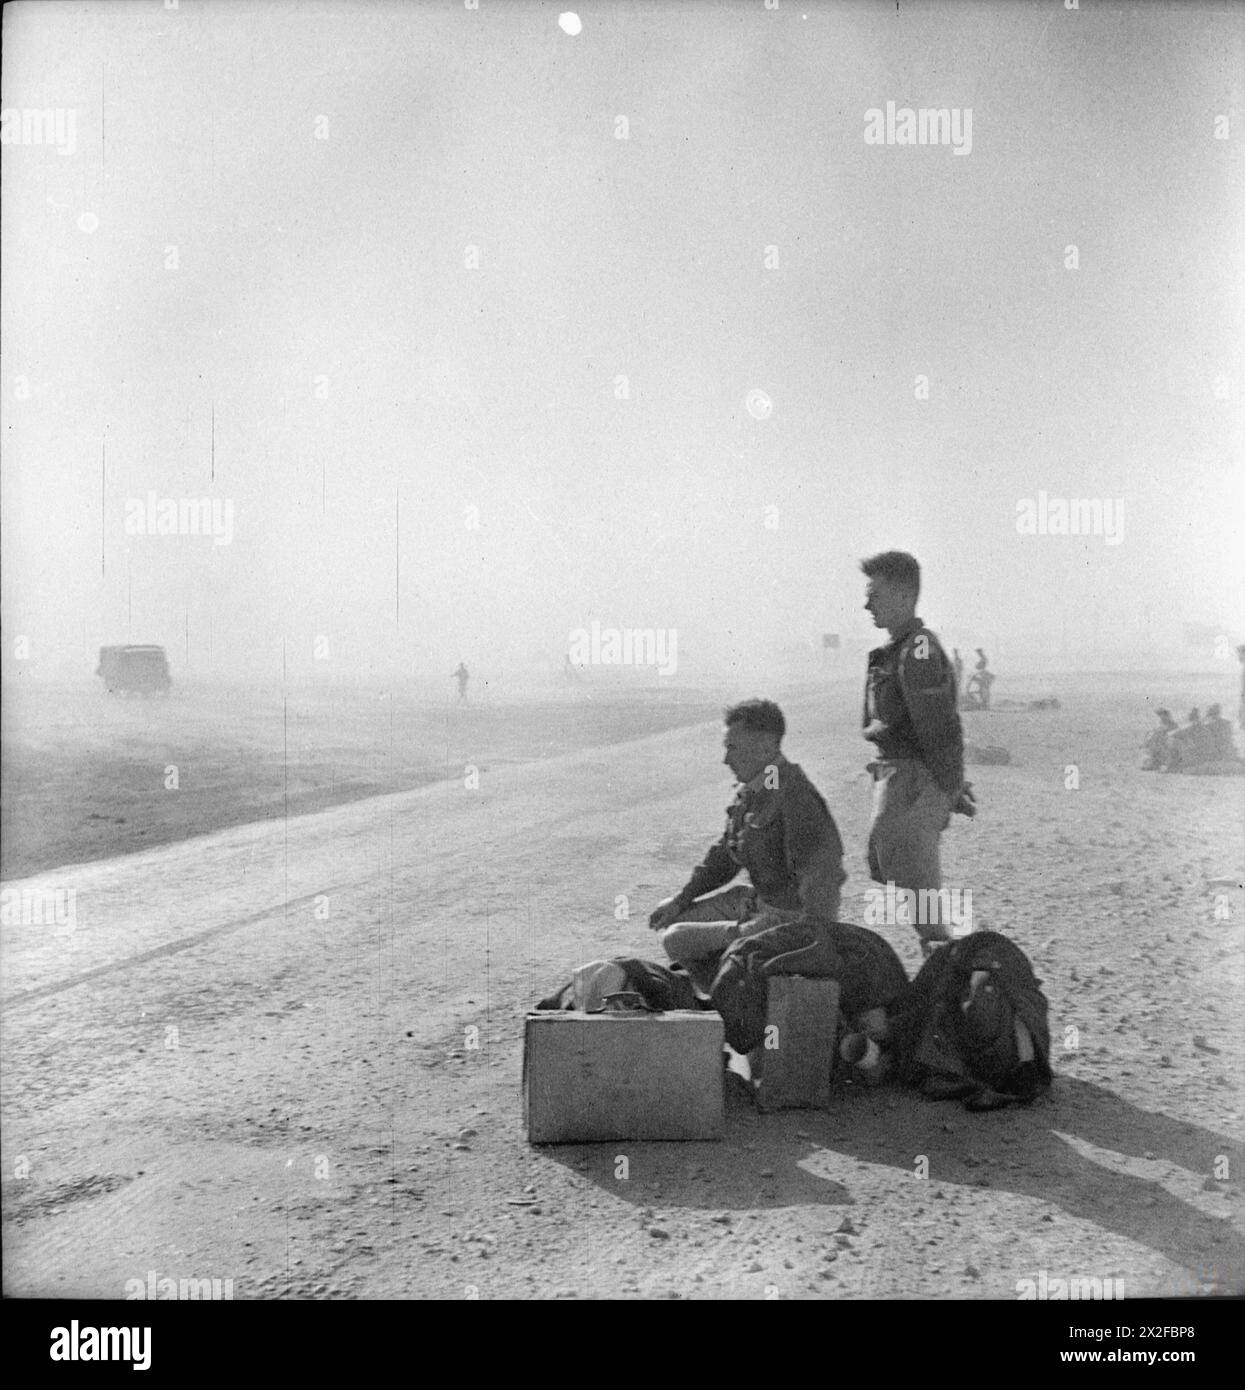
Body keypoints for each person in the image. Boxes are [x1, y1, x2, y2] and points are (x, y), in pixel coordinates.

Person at [648, 699, 846, 994]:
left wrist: (812, 941)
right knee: (675, 917)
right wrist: (681, 899)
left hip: (788, 921)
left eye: (733, 748)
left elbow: (823, 875)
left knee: (675, 939)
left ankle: (734, 996)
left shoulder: (795, 796)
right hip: (756, 903)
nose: (726, 760)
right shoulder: (754, 790)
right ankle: (732, 987)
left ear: (766, 748)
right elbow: (725, 858)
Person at [860, 551, 975, 956]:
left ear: (905, 596)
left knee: (918, 883)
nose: (867, 604)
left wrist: (949, 786)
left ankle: (947, 971)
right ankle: (942, 962)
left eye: (875, 594)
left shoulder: (918, 649)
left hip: (914, 781)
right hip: (899, 777)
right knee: (908, 878)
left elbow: (939, 726)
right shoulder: (898, 650)